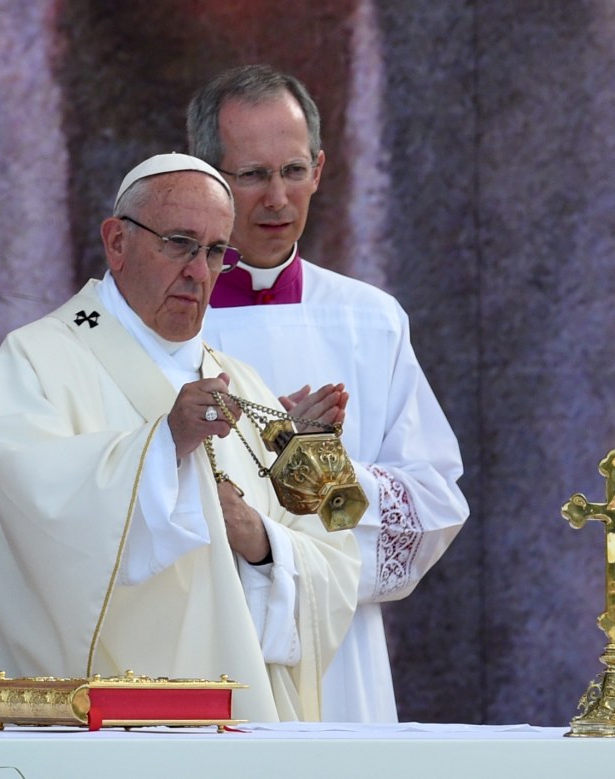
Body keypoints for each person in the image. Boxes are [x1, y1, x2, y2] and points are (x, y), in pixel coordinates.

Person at [0, 153, 360, 724]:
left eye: (215, 251)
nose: (199, 271)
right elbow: (28, 523)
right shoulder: (39, 358)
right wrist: (164, 446)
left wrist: (268, 527)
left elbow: (337, 567)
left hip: (233, 724)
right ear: (117, 242)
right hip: (100, 728)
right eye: (180, 242)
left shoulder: (247, 386)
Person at [189, 65, 470, 722]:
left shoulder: (369, 321)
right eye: (251, 174)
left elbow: (427, 514)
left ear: (319, 168)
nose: (276, 200)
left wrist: (312, 469)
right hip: (198, 643)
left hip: (334, 656)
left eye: (292, 171)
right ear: (207, 178)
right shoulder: (150, 321)